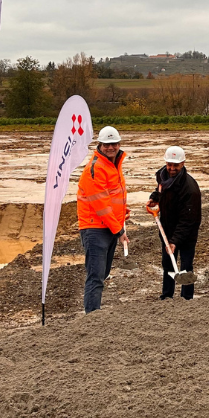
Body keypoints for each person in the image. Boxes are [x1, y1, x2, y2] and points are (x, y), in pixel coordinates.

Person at [77, 126, 130, 313]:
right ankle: (92, 316)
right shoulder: (96, 168)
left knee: (103, 273)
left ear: (119, 144)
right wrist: (120, 231)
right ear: (100, 144)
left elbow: (112, 196)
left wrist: (122, 211)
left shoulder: (114, 165)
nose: (111, 147)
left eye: (114, 144)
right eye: (107, 144)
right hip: (95, 228)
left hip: (108, 227)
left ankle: (94, 313)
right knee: (96, 276)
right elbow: (101, 206)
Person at [147, 146, 202, 300]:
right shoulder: (163, 177)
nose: (171, 168)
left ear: (183, 164)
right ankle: (167, 295)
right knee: (168, 263)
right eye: (169, 164)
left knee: (185, 265)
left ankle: (187, 297)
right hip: (167, 228)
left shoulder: (190, 189)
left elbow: (188, 220)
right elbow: (161, 190)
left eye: (175, 165)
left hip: (187, 232)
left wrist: (175, 241)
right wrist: (154, 198)